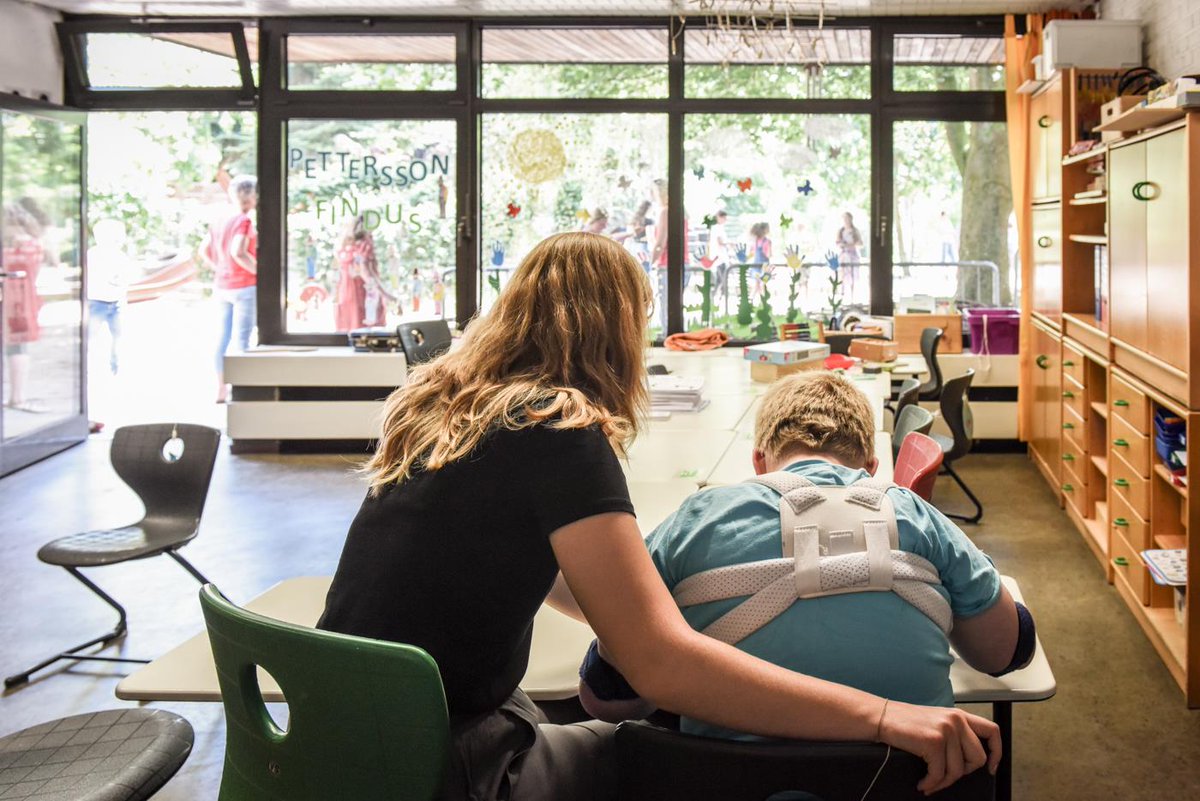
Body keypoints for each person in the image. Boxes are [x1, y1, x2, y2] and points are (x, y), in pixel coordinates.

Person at [317, 232, 1001, 801]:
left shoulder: (448, 412)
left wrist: (671, 607)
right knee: (646, 749)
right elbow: (661, 669)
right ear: (617, 330)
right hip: (435, 765)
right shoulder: (559, 428)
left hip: (345, 732)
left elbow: (548, 571)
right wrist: (882, 714)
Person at [579, 372, 1035, 745]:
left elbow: (608, 697)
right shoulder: (918, 515)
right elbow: (1005, 652)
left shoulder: (694, 521)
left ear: (758, 461)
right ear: (872, 465)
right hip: (903, 780)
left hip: (726, 783)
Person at [205, 175, 258, 404]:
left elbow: (204, 251)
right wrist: (260, 272)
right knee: (242, 341)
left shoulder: (220, 219)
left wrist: (221, 268)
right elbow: (238, 251)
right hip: (243, 285)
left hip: (222, 285)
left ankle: (220, 388)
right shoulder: (243, 220)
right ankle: (242, 391)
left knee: (222, 338)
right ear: (248, 195)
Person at [2, 205, 45, 411]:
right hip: (22, 300)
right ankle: (16, 397)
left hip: (14, 301)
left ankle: (16, 397)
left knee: (16, 347)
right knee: (17, 347)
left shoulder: (13, 246)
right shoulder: (33, 244)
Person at [86, 218, 133, 376]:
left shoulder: (121, 257)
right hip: (96, 301)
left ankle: (115, 364)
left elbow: (125, 279)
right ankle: (90, 365)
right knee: (91, 336)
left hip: (116, 302)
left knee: (118, 336)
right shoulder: (92, 255)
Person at [335, 216, 394, 331]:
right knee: (367, 336)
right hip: (362, 294)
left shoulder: (347, 245)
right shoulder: (365, 244)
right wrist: (386, 294)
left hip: (346, 295)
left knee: (348, 335)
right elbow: (366, 273)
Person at [835, 211, 863, 302]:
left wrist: (852, 244)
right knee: (843, 274)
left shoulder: (855, 231)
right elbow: (837, 242)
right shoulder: (841, 231)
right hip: (844, 254)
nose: (846, 221)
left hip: (853, 254)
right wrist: (842, 244)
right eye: (844, 219)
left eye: (848, 219)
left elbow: (860, 243)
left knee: (853, 274)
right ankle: (842, 294)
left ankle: (852, 295)